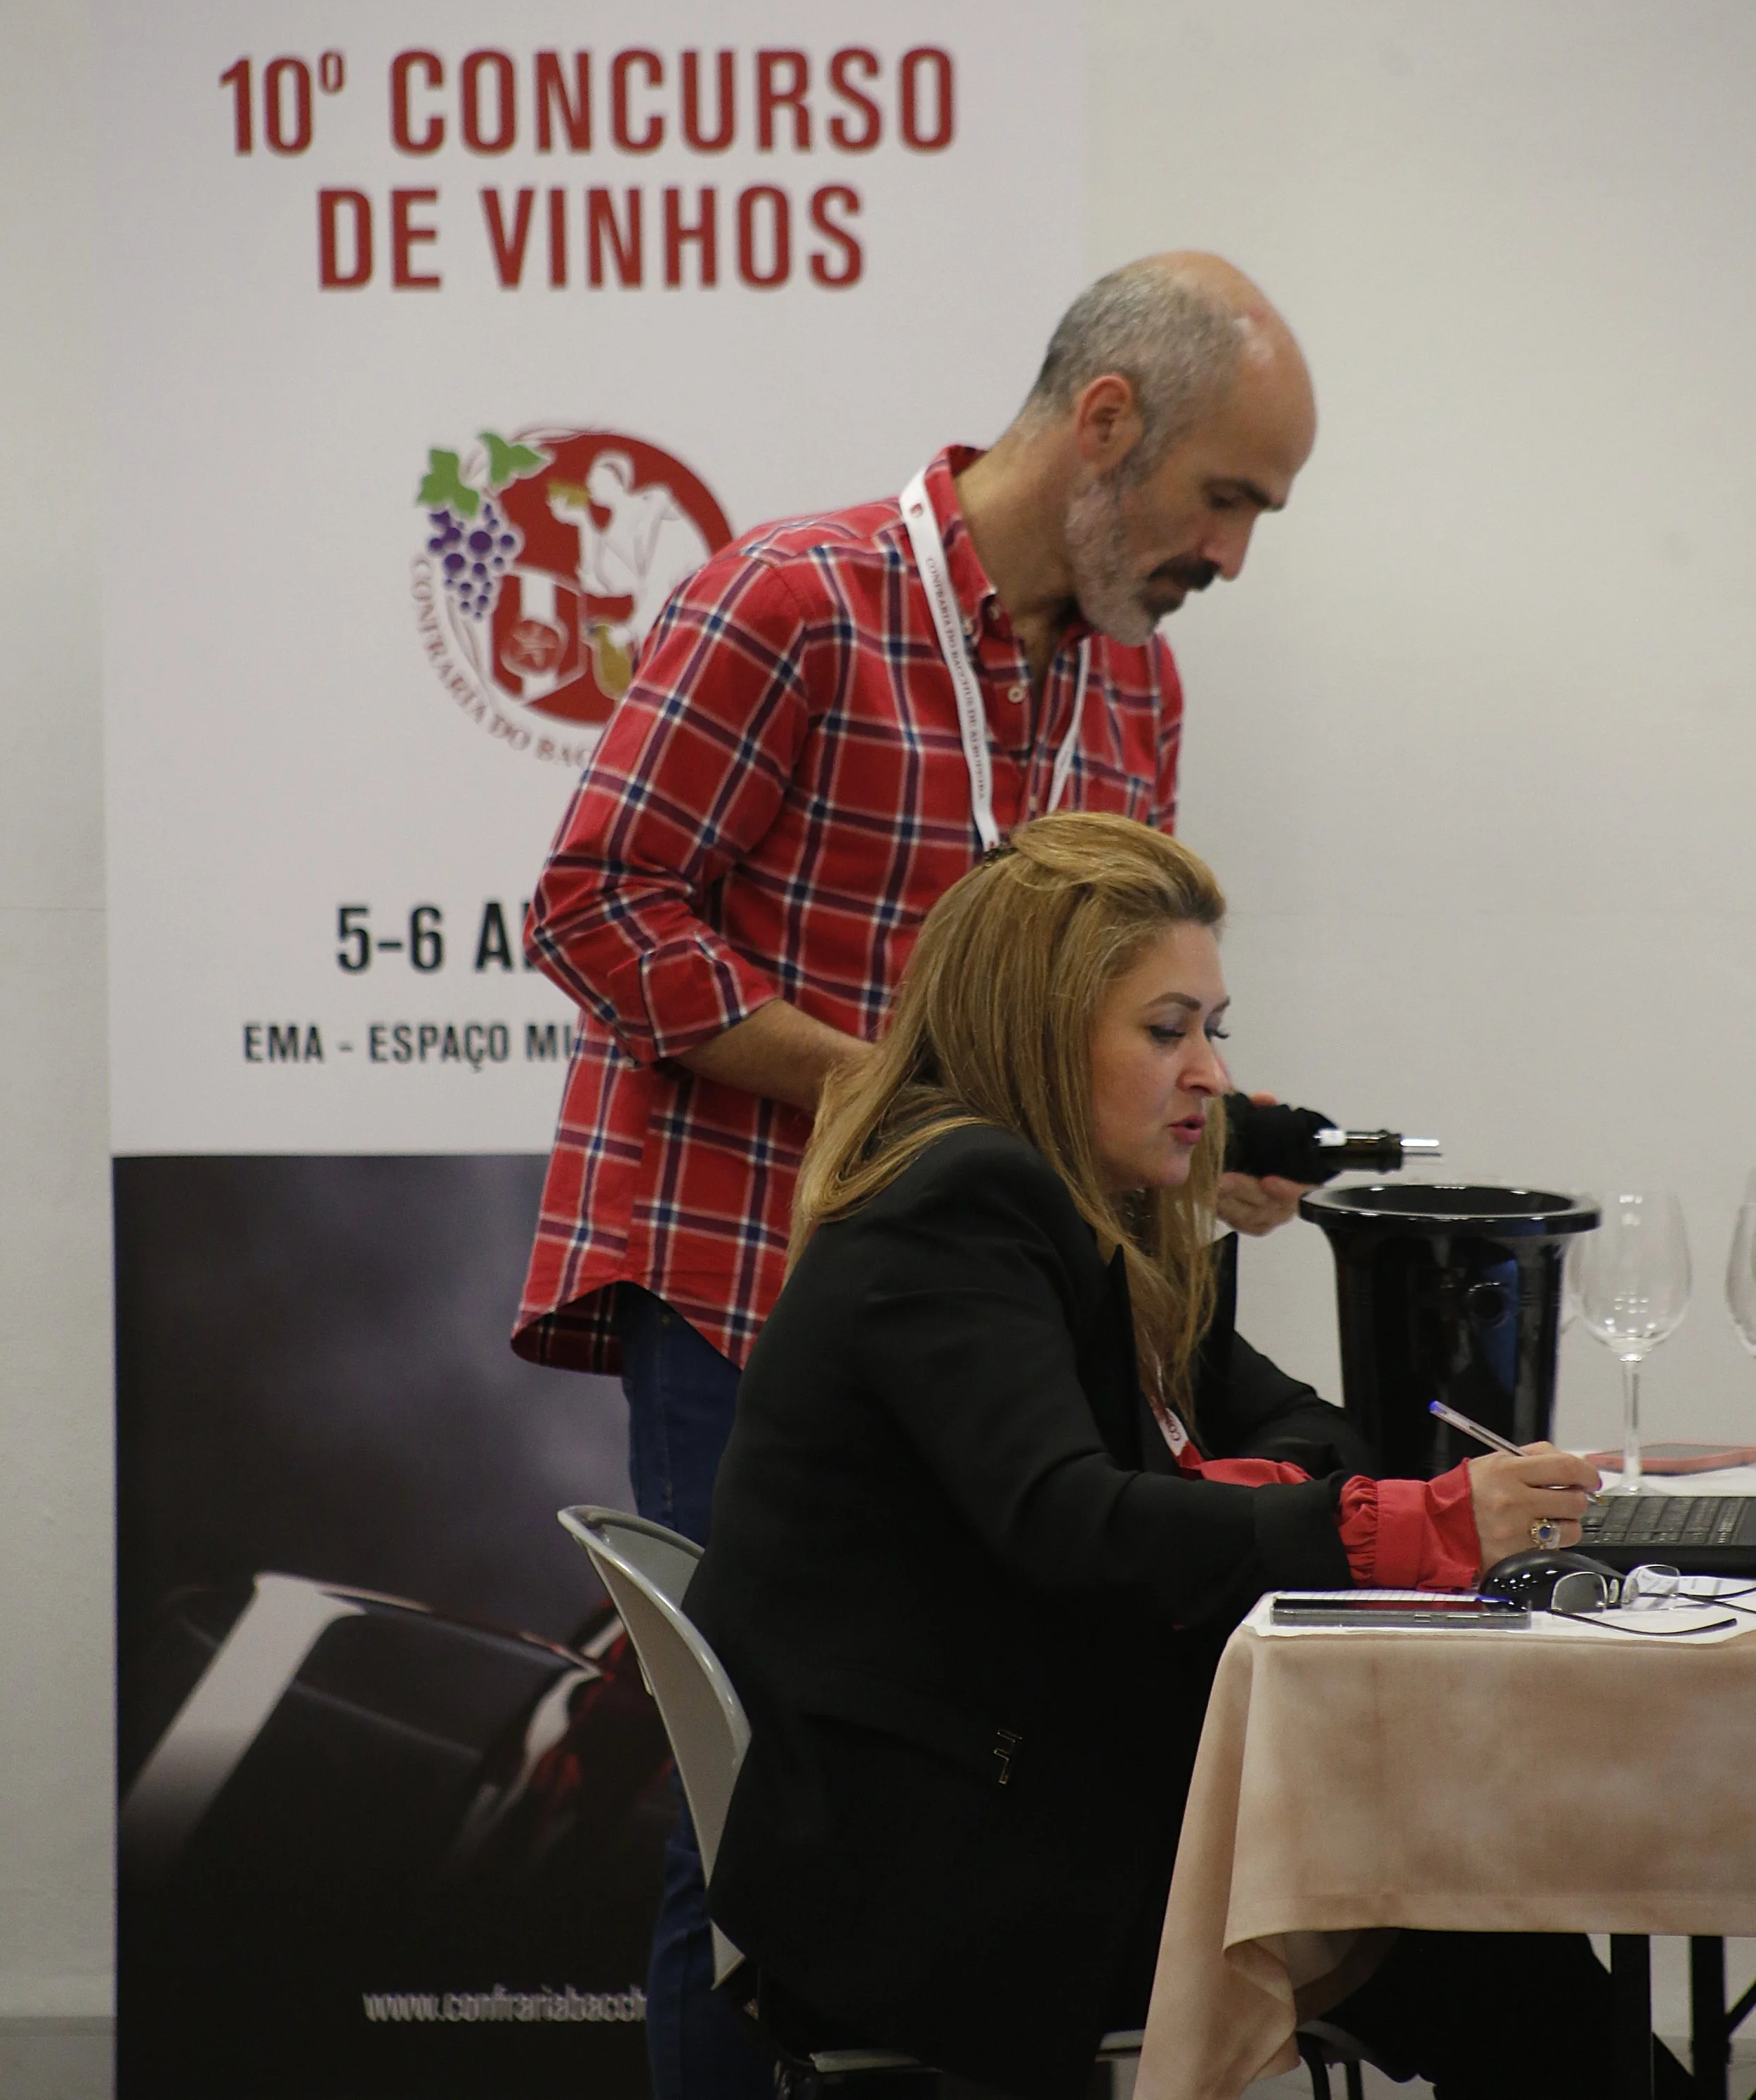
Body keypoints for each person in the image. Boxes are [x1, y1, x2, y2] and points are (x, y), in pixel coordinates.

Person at [517, 253, 1322, 2096]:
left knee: (982, 1790)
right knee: (755, 1832)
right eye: (1227, 497)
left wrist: (1194, 1118)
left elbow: (1090, 1001)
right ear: (1105, 424)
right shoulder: (790, 599)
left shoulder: (1137, 687)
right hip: (751, 1294)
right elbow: (593, 907)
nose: (1234, 554)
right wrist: (899, 1083)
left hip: (996, 1342)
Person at [683, 816, 1679, 2100]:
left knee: (1461, 1908)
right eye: (1168, 1030)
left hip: (1012, 1798)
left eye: (1216, 1028)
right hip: (934, 1871)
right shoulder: (962, 1204)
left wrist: (1232, 1491)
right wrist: (1395, 1523)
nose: (1212, 1074)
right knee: (1454, 1907)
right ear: (1043, 1029)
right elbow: (1072, 1525)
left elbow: (1312, 1427)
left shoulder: (1094, 1215)